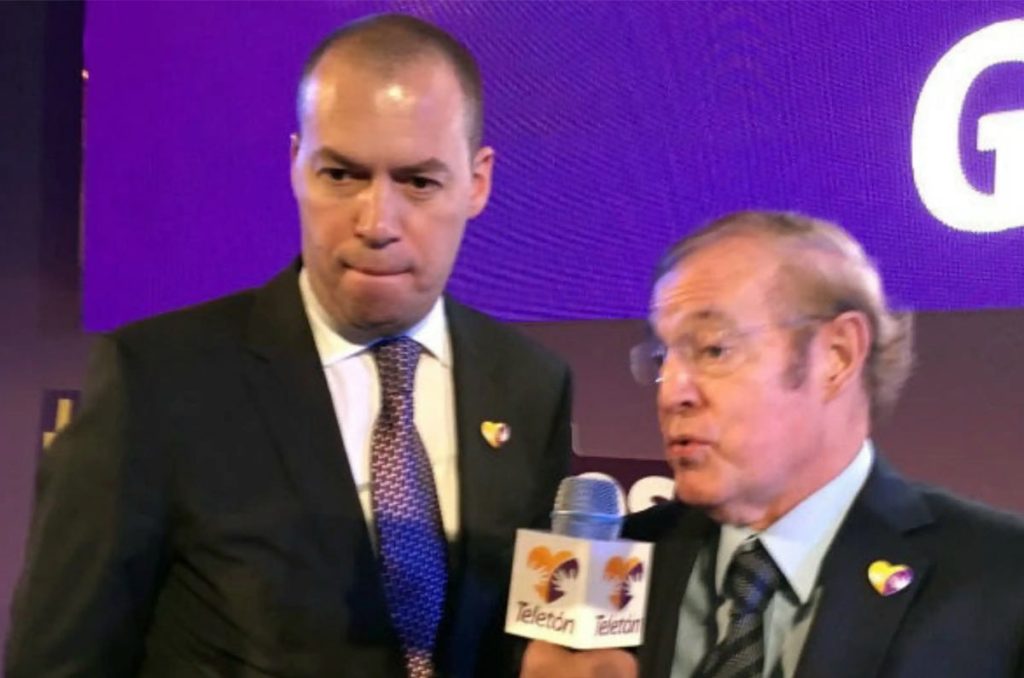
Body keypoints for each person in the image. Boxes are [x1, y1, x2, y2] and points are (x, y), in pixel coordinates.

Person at [6, 14, 572, 678]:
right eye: (342, 175)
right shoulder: (157, 381)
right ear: (297, 163)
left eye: (419, 182)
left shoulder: (530, 387)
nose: (377, 222)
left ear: (477, 182)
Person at [521, 211, 1024, 678]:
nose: (671, 392)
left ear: (836, 356)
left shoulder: (1001, 580)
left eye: (713, 349)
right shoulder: (614, 568)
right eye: (661, 360)